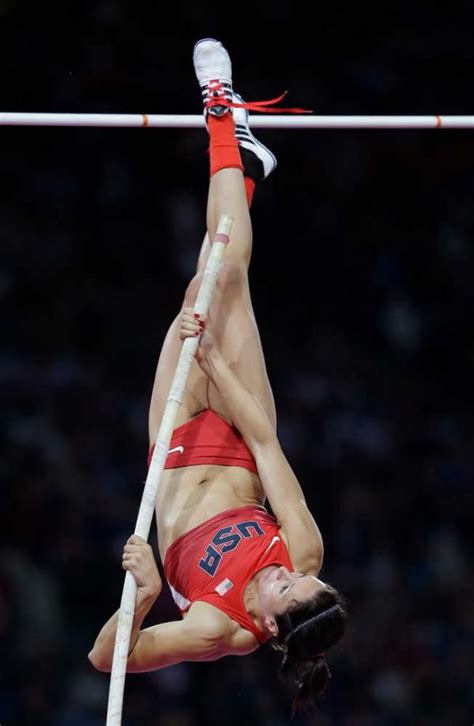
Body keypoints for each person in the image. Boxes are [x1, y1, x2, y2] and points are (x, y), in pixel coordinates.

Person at [89, 37, 347, 712]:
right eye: (305, 580)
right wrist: (214, 367)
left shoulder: (216, 630)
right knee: (222, 274)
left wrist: (143, 600)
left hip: (172, 445)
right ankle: (221, 112)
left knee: (206, 272)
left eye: (287, 590)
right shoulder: (307, 550)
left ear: (268, 625)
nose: (291, 573)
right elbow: (266, 446)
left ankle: (248, 164)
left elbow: (104, 656)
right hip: (238, 430)